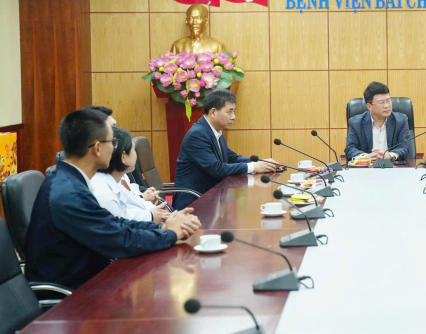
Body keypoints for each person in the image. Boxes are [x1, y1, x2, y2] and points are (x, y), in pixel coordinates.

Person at [24, 108, 201, 289]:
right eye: (113, 142)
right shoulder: (69, 193)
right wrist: (170, 234)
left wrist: (162, 227)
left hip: (90, 280)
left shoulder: (70, 181)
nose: (115, 147)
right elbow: (120, 240)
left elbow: (113, 223)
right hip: (73, 295)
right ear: (97, 148)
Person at [172, 89, 278, 210]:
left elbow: (231, 158)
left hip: (211, 199)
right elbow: (216, 169)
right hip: (193, 204)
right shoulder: (197, 135)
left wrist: (261, 163)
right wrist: (253, 167)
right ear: (213, 112)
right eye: (229, 112)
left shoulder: (215, 131)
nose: (233, 117)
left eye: (234, 112)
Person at [90, 126, 168, 223]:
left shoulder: (114, 181)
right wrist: (152, 217)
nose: (136, 155)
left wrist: (155, 214)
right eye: (134, 150)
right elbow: (120, 226)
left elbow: (133, 206)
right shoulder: (103, 193)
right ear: (123, 157)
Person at [345, 81, 410, 162]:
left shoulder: (400, 120)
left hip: (392, 167)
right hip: (366, 168)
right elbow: (350, 149)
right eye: (381, 103)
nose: (386, 106)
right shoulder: (356, 122)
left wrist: (389, 156)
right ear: (369, 106)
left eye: (388, 101)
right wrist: (366, 157)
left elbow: (404, 147)